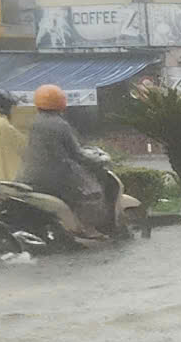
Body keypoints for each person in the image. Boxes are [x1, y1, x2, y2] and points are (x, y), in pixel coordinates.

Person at [17, 83, 114, 232]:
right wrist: (99, 160)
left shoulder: (34, 122)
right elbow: (77, 154)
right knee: (93, 193)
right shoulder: (60, 125)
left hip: (29, 175)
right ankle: (89, 228)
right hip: (56, 177)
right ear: (61, 103)